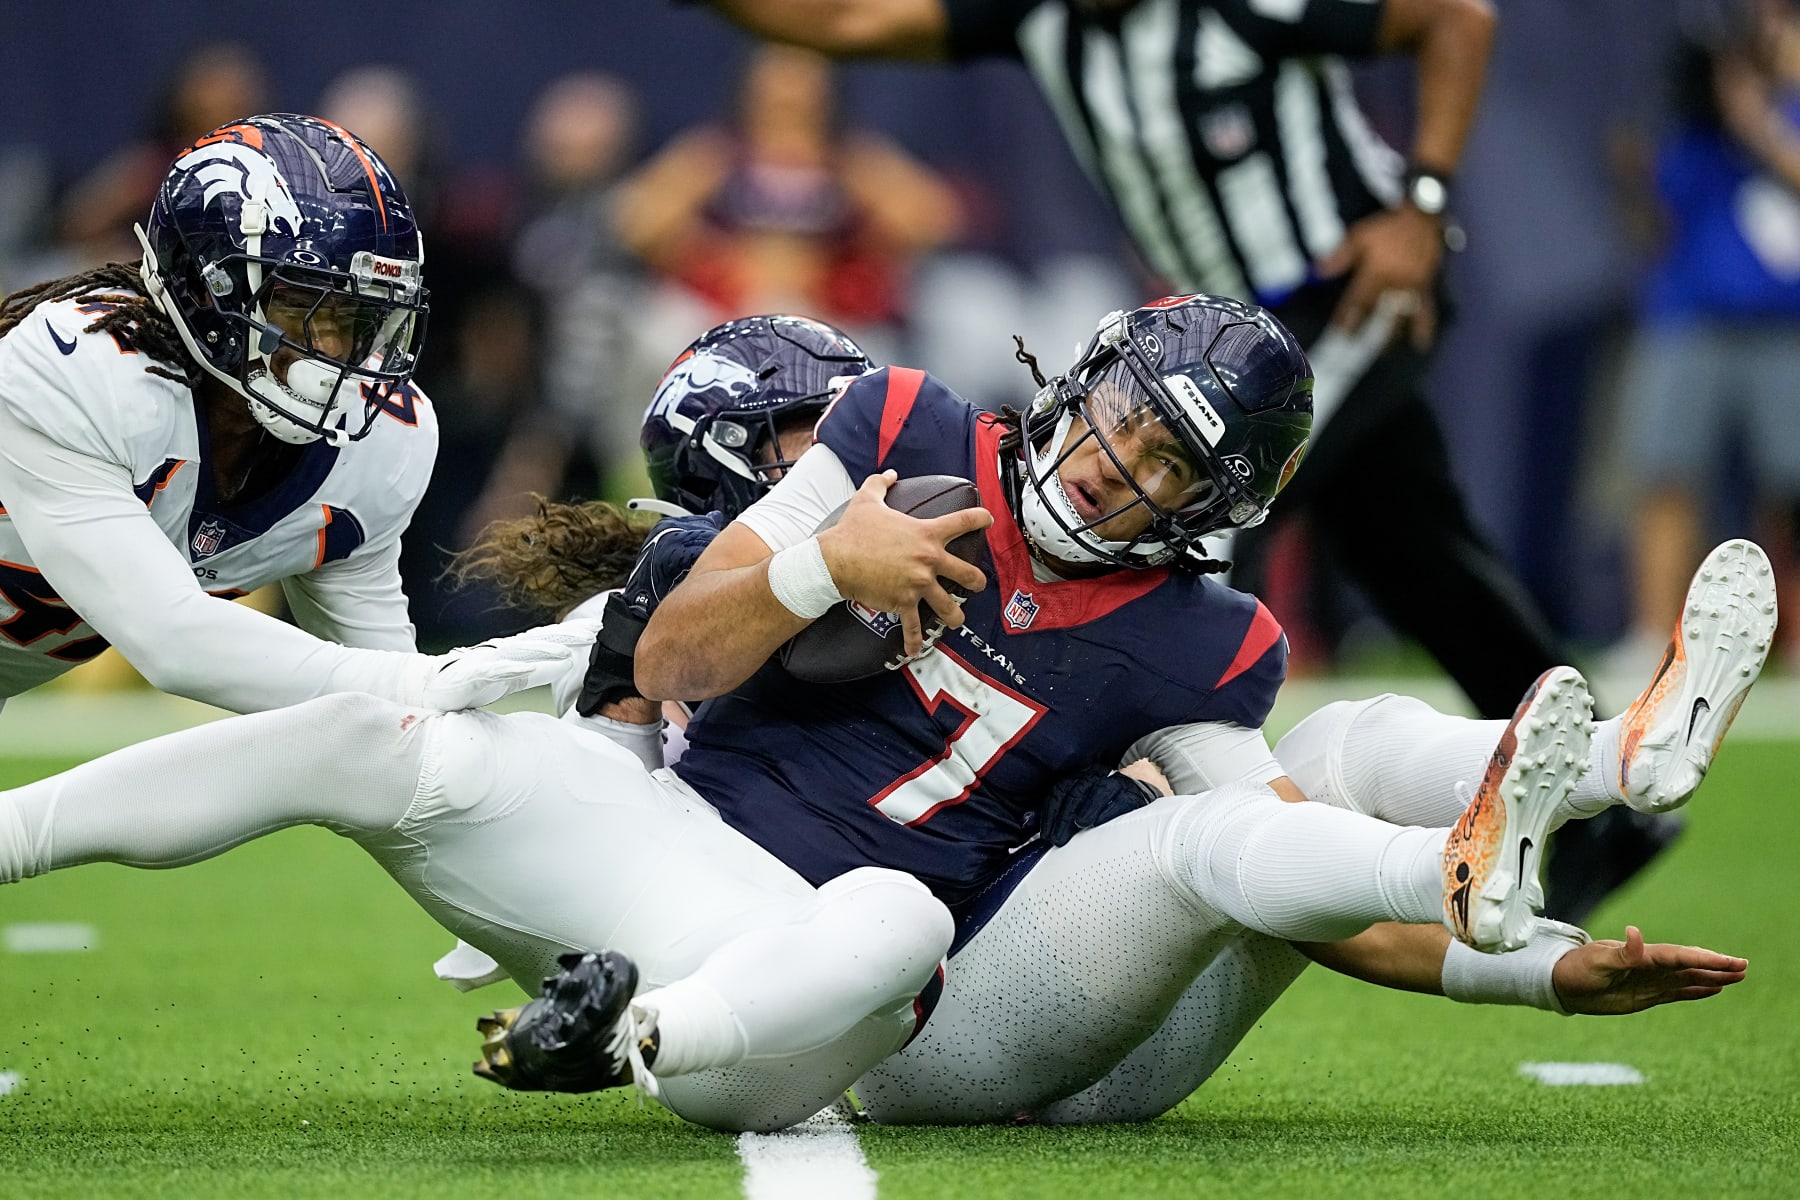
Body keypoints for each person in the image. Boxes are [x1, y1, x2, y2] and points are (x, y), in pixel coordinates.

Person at [460, 304, 1763, 1124]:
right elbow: (626, 719)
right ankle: (1460, 858)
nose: (1115, 463)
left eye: (1164, 463)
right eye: (1131, 423)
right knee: (1205, 843)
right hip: (901, 1004)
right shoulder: (816, 505)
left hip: (1043, 974)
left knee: (1323, 755)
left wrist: (1541, 966)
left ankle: (1621, 754)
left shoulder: (1181, 637)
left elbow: (1286, 869)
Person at [679, 0, 1676, 921]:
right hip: (1191, 370)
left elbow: (1455, 16)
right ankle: (1603, 801)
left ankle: (1134, 784)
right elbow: (849, 17)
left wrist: (1420, 203)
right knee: (1420, 559)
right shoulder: (1047, 18)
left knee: (1188, 536)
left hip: (1334, 302)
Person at [0, 114, 573, 716]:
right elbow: (173, 641)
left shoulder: (379, 438)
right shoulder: (80, 368)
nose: (333, 349)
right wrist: (417, 685)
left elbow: (390, 714)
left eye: (359, 320)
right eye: (302, 306)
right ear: (204, 288)